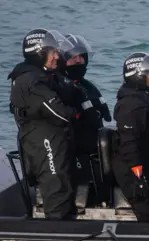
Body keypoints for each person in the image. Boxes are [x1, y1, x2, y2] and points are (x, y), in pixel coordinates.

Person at [7, 28, 79, 220]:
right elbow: (60, 113)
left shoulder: (44, 76)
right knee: (56, 187)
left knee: (65, 184)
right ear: (39, 53)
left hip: (53, 137)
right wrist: (76, 112)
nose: (57, 56)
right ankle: (58, 233)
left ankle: (68, 226)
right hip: (44, 139)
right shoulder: (31, 80)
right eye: (52, 52)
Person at [111, 52, 149, 222]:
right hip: (131, 166)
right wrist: (138, 173)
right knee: (148, 207)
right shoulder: (131, 104)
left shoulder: (147, 98)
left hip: (145, 161)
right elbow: (128, 142)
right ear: (138, 76)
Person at [59, 34, 112, 164]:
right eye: (73, 57)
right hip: (73, 149)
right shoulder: (59, 85)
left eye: (81, 56)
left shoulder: (88, 86)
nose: (78, 60)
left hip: (95, 145)